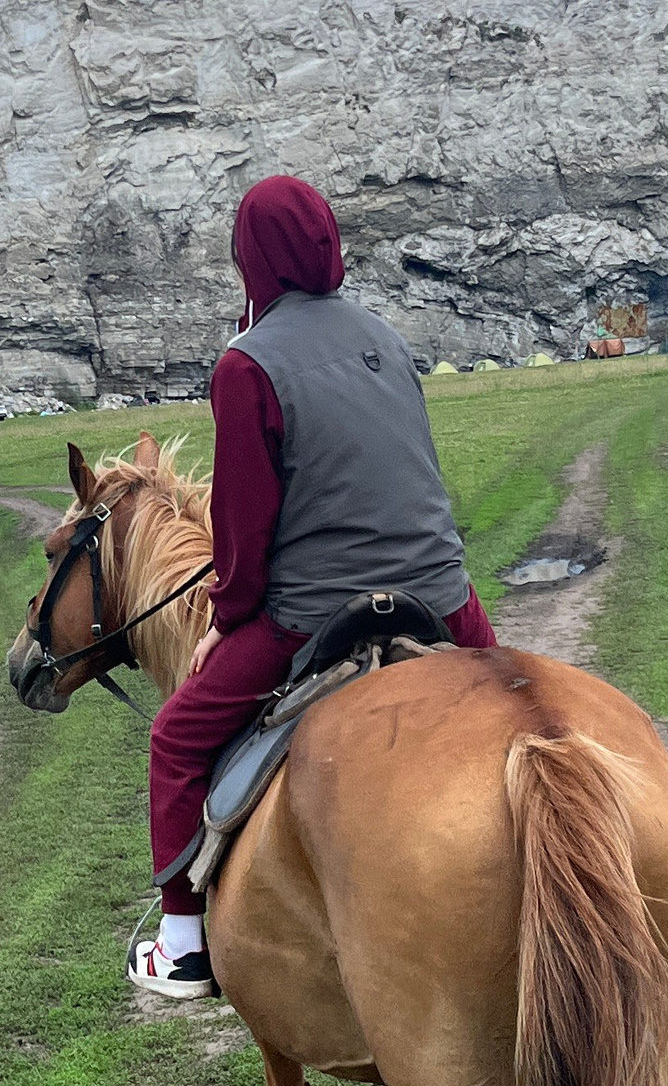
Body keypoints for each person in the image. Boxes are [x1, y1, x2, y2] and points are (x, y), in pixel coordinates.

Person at [128, 173, 500, 1001]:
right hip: (440, 593)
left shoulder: (247, 363)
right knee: (511, 710)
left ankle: (183, 943)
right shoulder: (387, 338)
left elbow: (246, 535)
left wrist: (227, 618)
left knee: (177, 739)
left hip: (314, 610)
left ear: (251, 257)